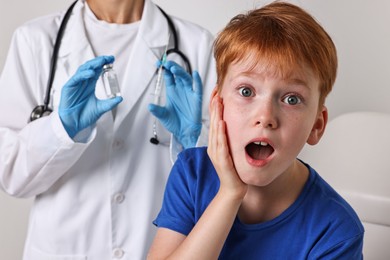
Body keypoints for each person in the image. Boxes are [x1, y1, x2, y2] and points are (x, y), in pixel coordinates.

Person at [0, 0, 216, 259]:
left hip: (154, 248)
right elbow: (9, 175)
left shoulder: (197, 44)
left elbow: (222, 186)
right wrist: (61, 129)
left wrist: (193, 143)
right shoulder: (35, 40)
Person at [148, 1, 364, 259]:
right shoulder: (191, 175)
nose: (265, 117)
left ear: (317, 125)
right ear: (218, 105)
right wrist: (230, 194)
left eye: (292, 99)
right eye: (246, 91)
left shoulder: (336, 231)